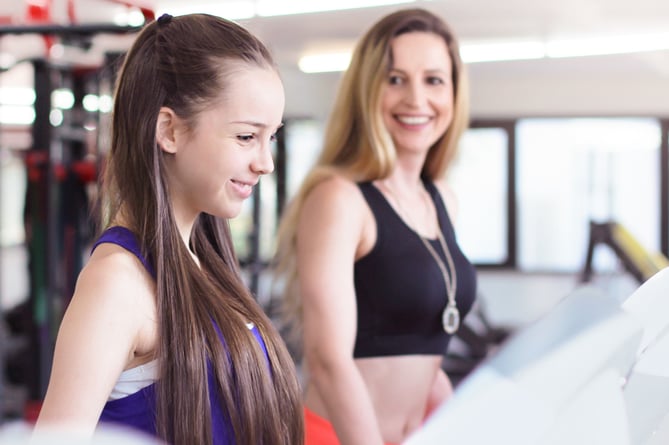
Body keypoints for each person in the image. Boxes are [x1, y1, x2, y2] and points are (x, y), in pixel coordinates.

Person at [33, 13, 304, 445]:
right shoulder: (117, 284)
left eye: (270, 137)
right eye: (246, 137)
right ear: (170, 130)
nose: (265, 163)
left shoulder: (202, 262)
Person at [273, 8, 477, 445]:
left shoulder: (441, 200)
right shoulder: (339, 199)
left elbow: (426, 363)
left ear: (454, 94)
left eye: (434, 80)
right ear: (367, 90)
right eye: (395, 79)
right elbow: (329, 362)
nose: (416, 100)